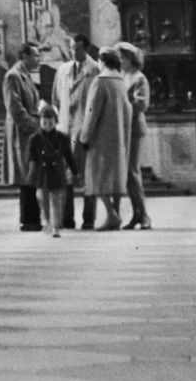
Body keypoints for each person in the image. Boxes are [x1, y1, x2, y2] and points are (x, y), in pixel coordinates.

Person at [79, 46, 132, 230]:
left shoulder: (100, 81)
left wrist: (85, 136)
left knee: (96, 177)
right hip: (118, 137)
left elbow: (92, 110)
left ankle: (111, 214)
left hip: (100, 137)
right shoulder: (120, 81)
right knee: (115, 177)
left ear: (101, 61)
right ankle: (114, 214)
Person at [52, 33, 100, 229]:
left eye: (78, 49)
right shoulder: (62, 70)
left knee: (88, 174)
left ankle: (89, 218)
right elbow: (55, 98)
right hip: (65, 128)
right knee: (66, 175)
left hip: (85, 129)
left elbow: (96, 103)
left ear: (86, 48)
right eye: (71, 48)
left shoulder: (95, 70)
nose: (73, 52)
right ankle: (67, 217)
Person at [2, 42, 42, 230]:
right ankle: (29, 220)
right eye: (35, 55)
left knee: (31, 174)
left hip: (31, 129)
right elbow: (15, 107)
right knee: (27, 174)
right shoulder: (13, 76)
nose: (38, 59)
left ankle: (32, 218)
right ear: (24, 57)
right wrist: (33, 128)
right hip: (23, 131)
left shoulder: (25, 74)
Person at [117, 41, 153, 229]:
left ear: (130, 59)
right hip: (123, 128)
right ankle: (137, 214)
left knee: (132, 172)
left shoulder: (139, 78)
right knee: (128, 175)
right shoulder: (122, 75)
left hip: (134, 128)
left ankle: (144, 214)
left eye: (122, 57)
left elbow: (142, 104)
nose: (120, 60)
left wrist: (121, 107)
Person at [28, 101, 75, 237]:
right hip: (42, 173)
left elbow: (69, 156)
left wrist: (74, 171)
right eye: (44, 121)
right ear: (40, 121)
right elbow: (32, 158)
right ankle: (46, 220)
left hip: (56, 172)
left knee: (55, 199)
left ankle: (55, 226)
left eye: (50, 121)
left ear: (55, 121)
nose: (47, 124)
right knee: (41, 197)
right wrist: (31, 171)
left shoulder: (62, 138)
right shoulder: (35, 139)